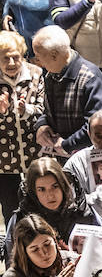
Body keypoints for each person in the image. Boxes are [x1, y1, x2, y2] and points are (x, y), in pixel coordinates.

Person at [1, 156, 101, 266]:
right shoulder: (21, 220)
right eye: (41, 189)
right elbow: (13, 266)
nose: (50, 195)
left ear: (63, 185)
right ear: (34, 192)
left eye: (55, 186)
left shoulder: (83, 210)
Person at [32, 25, 102, 156]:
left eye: (38, 57)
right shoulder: (50, 75)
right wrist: (42, 125)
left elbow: (98, 125)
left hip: (88, 160)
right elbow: (46, 110)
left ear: (54, 55)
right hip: (60, 157)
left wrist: (67, 144)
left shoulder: (90, 78)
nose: (37, 62)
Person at [0, 29, 43, 215]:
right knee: (11, 209)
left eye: (15, 57)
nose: (11, 63)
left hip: (34, 154)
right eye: (4, 58)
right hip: (4, 161)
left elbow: (44, 110)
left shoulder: (36, 73)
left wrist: (27, 110)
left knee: (39, 208)